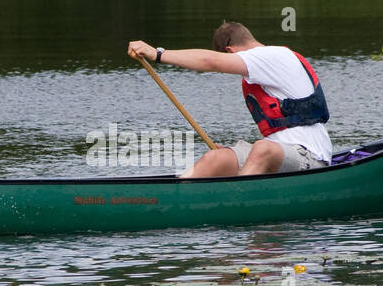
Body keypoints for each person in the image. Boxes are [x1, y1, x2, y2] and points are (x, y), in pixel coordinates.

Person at [127, 22, 331, 177]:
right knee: (217, 158)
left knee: (262, 149)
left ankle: (237, 202)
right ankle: (172, 199)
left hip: (311, 157)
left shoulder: (273, 56)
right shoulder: (265, 69)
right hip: (279, 155)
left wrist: (158, 54)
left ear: (230, 51)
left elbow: (210, 61)